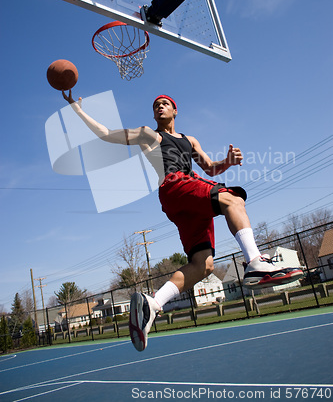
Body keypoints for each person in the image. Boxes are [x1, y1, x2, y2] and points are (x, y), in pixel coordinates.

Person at [62, 91, 303, 352]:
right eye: (156, 105)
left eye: (165, 104)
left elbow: (210, 167)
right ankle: (255, 262)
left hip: (185, 201)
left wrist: (228, 162)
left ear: (175, 111)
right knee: (233, 200)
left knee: (203, 265)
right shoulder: (148, 135)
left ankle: (153, 304)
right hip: (175, 186)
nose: (160, 107)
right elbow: (106, 134)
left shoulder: (190, 140)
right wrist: (77, 109)